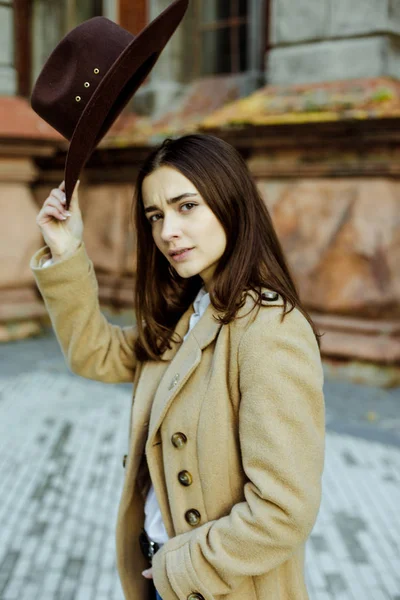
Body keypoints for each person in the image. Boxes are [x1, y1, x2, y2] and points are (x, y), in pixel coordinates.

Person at [31, 133, 325, 600]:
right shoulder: (194, 312)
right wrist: (66, 250)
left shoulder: (268, 329)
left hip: (219, 584)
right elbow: (96, 353)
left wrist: (180, 566)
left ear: (230, 204)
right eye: (155, 215)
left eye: (186, 206)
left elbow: (284, 510)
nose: (167, 231)